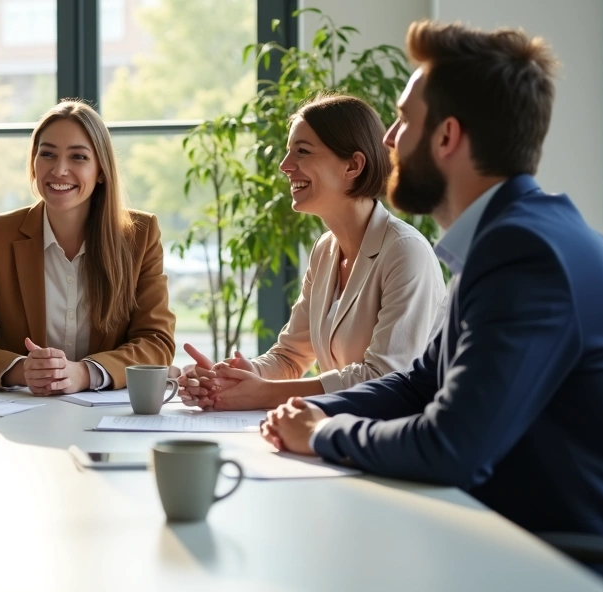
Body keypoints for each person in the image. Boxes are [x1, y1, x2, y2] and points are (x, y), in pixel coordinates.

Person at [261, 21, 603, 554]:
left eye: (402, 121)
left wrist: (320, 434)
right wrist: (317, 412)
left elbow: (451, 444)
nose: (387, 140)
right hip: (493, 532)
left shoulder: (525, 252)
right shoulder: (508, 235)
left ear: (447, 136)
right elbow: (418, 384)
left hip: (549, 557)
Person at [177, 94, 446, 410]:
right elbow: (290, 356)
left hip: (393, 439)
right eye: (288, 151)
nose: (284, 166)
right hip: (338, 429)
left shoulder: (405, 251)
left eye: (302, 152)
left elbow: (385, 377)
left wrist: (262, 393)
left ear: (353, 165)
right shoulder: (326, 249)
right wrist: (239, 376)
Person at [0, 99, 175, 394]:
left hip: (108, 416)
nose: (59, 170)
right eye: (48, 154)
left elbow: (156, 341)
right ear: (33, 162)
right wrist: (24, 370)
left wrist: (83, 374)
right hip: (22, 413)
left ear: (102, 170)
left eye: (78, 157)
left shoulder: (140, 236)